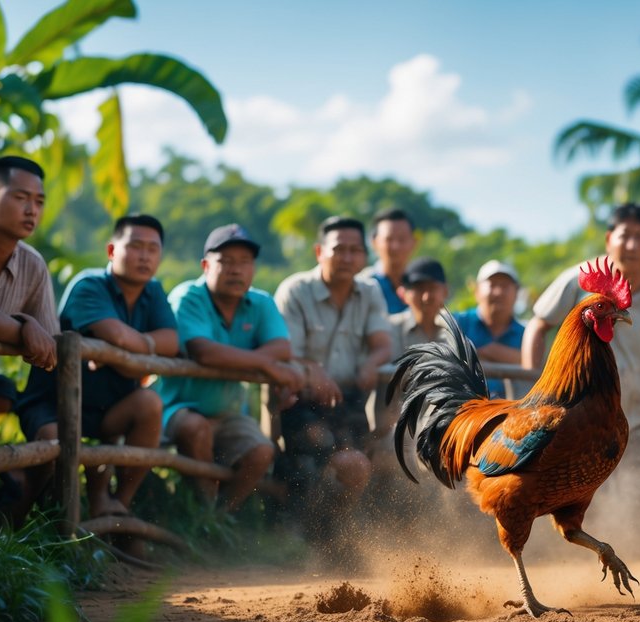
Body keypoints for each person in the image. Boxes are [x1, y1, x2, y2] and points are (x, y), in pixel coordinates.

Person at [522, 203, 640, 550]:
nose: (632, 245)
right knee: (567, 501)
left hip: (636, 420)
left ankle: (632, 561)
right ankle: (562, 564)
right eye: (625, 235)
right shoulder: (579, 278)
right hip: (574, 425)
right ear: (609, 238)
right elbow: (537, 325)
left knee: (638, 511)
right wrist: (534, 393)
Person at [17, 214, 179, 518]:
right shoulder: (89, 285)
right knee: (50, 450)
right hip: (54, 405)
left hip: (109, 412)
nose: (144, 256)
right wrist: (145, 353)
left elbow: (172, 340)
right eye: (135, 246)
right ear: (111, 250)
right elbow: (116, 334)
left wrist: (128, 357)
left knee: (150, 404)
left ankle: (120, 505)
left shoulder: (153, 291)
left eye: (152, 249)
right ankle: (25, 519)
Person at [157, 224, 304, 514]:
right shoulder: (188, 297)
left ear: (253, 268)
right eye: (226, 261)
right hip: (178, 408)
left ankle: (222, 517)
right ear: (205, 266)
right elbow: (203, 351)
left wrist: (255, 360)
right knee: (195, 428)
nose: (236, 270)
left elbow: (281, 348)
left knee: (262, 451)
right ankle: (202, 514)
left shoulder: (261, 302)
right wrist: (266, 364)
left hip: (229, 412)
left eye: (245, 262)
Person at [274, 216, 393, 545]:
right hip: (299, 403)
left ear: (364, 257)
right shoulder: (295, 290)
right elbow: (284, 351)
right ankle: (311, 539)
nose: (347, 257)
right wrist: (311, 369)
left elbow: (383, 344)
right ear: (319, 252)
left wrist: (372, 362)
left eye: (355, 250)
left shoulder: (370, 292)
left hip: (349, 403)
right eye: (339, 249)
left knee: (358, 464)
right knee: (327, 459)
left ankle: (332, 538)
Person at [0, 157, 58, 443]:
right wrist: (19, 325)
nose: (31, 210)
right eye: (21, 198)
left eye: (39, 202)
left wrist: (24, 323)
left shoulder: (32, 265)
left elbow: (49, 348)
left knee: (3, 391)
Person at [454, 259, 525, 398]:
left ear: (516, 293)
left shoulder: (527, 335)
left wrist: (487, 352)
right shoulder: (458, 324)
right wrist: (514, 358)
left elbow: (537, 365)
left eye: (505, 286)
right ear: (477, 291)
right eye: (492, 285)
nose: (498, 292)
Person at [388, 257, 449, 356]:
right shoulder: (390, 329)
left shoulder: (454, 329)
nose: (426, 297)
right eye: (419, 289)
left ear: (445, 291)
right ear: (403, 294)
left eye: (432, 288)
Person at [363, 209, 418, 314]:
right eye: (389, 239)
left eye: (402, 239)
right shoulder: (363, 285)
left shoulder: (424, 286)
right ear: (374, 243)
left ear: (414, 242)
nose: (395, 246)